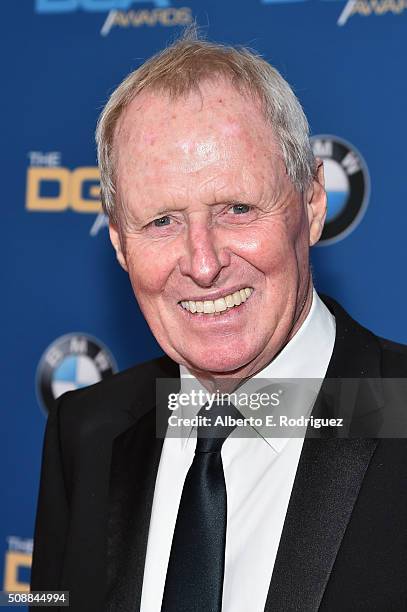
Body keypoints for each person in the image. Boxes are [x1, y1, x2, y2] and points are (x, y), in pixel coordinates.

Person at [30, 33, 407, 612]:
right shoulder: (86, 432)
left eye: (237, 208)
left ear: (310, 203)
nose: (203, 264)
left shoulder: (398, 410)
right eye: (161, 221)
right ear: (119, 243)